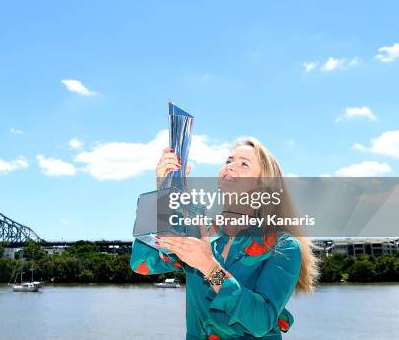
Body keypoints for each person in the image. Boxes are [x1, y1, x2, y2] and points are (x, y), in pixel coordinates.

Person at [130, 138, 318, 340]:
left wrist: (210, 268)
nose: (230, 167)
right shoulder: (201, 230)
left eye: (244, 163)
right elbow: (142, 262)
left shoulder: (283, 246)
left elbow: (261, 321)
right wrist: (163, 191)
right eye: (229, 161)